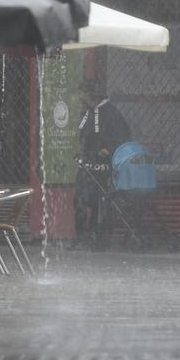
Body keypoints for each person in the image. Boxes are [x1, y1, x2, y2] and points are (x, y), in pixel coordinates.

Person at [75, 78, 131, 247]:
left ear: (89, 94)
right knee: (80, 199)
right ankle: (82, 236)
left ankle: (99, 237)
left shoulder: (111, 112)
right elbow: (83, 135)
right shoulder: (86, 112)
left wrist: (108, 150)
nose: (80, 97)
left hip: (105, 164)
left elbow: (122, 136)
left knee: (102, 201)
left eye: (82, 93)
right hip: (88, 162)